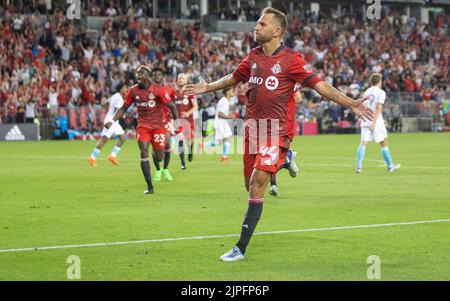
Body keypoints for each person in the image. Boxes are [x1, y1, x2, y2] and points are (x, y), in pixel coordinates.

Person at [184, 7, 373, 261]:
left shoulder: (291, 60)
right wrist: (207, 86)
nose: (256, 27)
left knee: (259, 183)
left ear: (276, 31)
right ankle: (284, 160)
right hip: (253, 129)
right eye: (257, 24)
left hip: (275, 131)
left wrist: (351, 103)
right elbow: (232, 78)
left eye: (262, 24)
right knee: (249, 185)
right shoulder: (252, 57)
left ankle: (240, 248)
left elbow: (320, 85)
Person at [105, 66, 179, 194]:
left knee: (160, 157)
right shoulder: (133, 91)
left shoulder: (158, 90)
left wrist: (176, 123)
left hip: (158, 127)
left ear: (148, 76)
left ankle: (157, 154)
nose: (138, 76)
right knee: (143, 151)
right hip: (143, 126)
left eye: (141, 73)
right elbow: (123, 108)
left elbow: (172, 106)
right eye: (137, 74)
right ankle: (150, 187)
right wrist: (112, 120)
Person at [356, 73, 401, 173]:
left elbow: (365, 106)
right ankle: (390, 166)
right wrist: (375, 122)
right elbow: (378, 108)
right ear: (380, 82)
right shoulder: (381, 92)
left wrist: (380, 119)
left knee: (363, 143)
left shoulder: (367, 91)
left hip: (366, 119)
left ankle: (358, 167)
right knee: (383, 142)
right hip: (374, 121)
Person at [269, 85, 303, 197]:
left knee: (270, 156)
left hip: (282, 123)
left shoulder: (288, 80)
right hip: (266, 121)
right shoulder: (264, 79)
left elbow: (298, 98)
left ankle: (273, 184)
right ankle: (288, 159)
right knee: (266, 156)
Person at [88, 83, 128, 167]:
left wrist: (109, 112)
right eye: (124, 88)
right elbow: (118, 110)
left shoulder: (115, 96)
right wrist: (122, 115)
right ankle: (92, 158)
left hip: (113, 121)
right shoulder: (119, 98)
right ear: (120, 89)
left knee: (122, 138)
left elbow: (105, 104)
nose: (126, 90)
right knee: (104, 140)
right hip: (111, 121)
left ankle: (112, 156)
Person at [151, 68, 174, 181]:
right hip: (154, 122)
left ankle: (165, 169)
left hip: (166, 121)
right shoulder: (149, 91)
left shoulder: (169, 89)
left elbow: (172, 104)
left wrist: (172, 115)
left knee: (168, 144)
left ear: (162, 76)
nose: (157, 77)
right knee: (155, 148)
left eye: (159, 75)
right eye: (154, 75)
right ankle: (158, 170)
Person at [201, 87, 235, 162]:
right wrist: (229, 117)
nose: (233, 92)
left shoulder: (225, 100)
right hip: (221, 122)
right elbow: (220, 114)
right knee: (229, 137)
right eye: (232, 90)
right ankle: (224, 157)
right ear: (227, 92)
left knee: (219, 142)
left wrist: (228, 115)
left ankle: (202, 145)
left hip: (220, 122)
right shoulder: (224, 101)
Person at [172, 73, 198, 169]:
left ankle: (190, 152)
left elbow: (195, 106)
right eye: (179, 78)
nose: (180, 80)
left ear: (186, 81)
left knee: (189, 141)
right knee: (180, 140)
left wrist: (187, 113)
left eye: (182, 78)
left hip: (188, 121)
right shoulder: (173, 93)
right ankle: (183, 163)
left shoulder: (190, 93)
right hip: (177, 121)